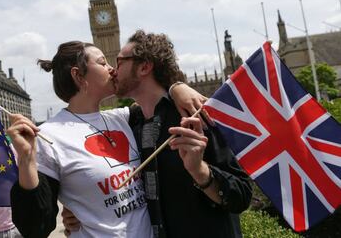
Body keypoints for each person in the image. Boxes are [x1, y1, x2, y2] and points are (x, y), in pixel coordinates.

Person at [63, 30, 253, 237]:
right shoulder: (131, 125)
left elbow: (242, 195)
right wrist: (82, 206)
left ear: (144, 67)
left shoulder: (194, 116)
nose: (112, 71)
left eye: (119, 62)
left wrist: (200, 171)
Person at [7, 41, 203, 237]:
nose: (112, 69)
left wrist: (177, 87)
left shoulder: (125, 118)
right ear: (78, 75)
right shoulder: (49, 136)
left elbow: (155, 95)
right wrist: (26, 159)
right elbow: (35, 228)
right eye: (102, 63)